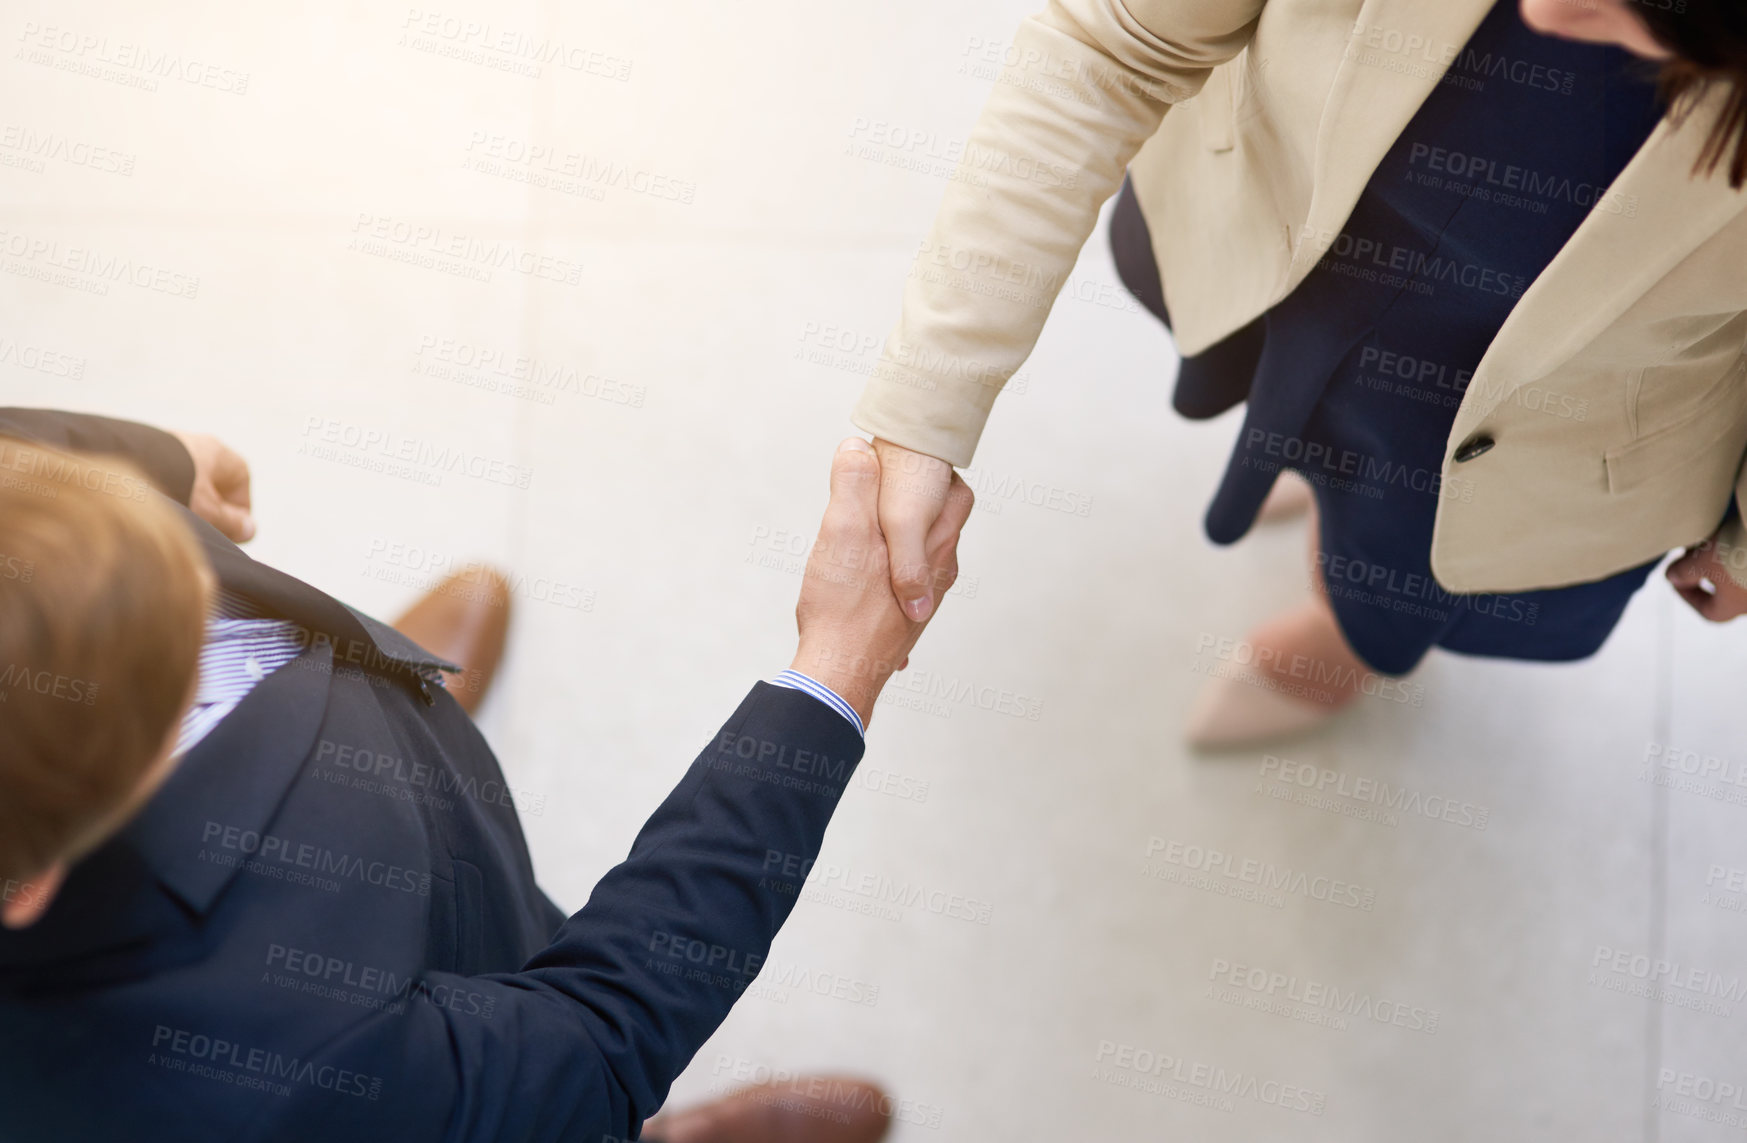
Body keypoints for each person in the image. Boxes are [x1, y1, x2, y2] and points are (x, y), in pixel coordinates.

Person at [0, 407, 971, 1143]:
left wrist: (136, 459)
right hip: (420, 1048)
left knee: (370, 736)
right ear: (35, 878)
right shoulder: (285, 1062)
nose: (192, 566)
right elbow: (599, 1029)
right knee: (543, 1098)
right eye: (179, 647)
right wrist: (839, 666)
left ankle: (364, 727)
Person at [848, 0, 1747, 746]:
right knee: (1287, 403)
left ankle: (1351, 627)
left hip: (1566, 409)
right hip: (1276, 236)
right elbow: (1114, 39)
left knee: (1400, 546)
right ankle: (1311, 467)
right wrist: (928, 405)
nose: (1546, 11)